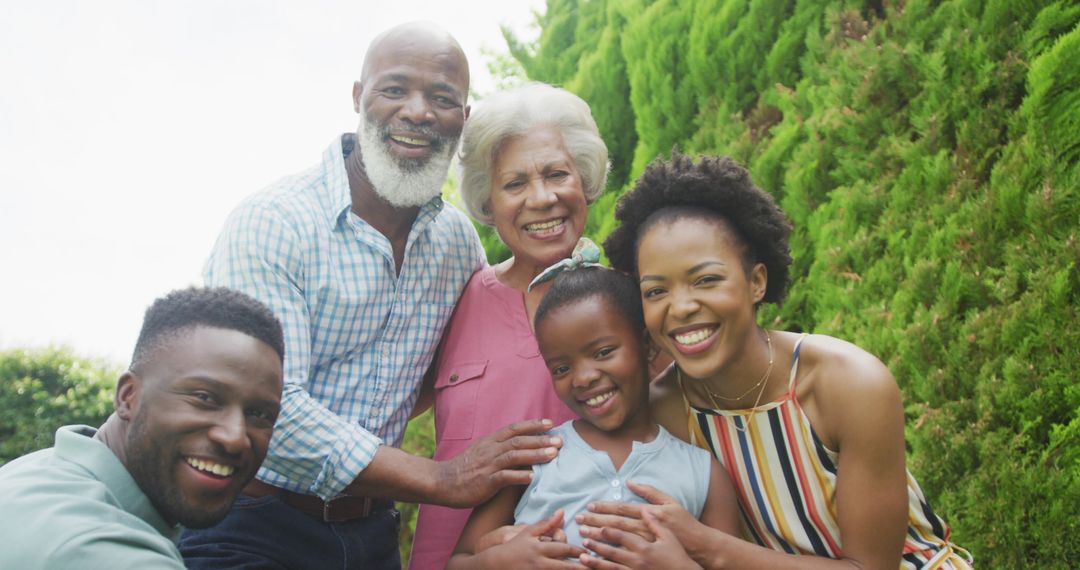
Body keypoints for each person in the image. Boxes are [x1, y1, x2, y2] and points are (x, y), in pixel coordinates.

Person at [181, 23, 562, 569]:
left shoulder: (456, 243)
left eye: (442, 98)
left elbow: (457, 369)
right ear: (359, 98)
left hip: (373, 536)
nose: (418, 112)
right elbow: (266, 409)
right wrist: (441, 476)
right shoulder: (275, 222)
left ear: (463, 117)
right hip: (251, 524)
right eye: (394, 89)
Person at [574, 153, 973, 569]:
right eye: (656, 291)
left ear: (757, 281)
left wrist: (707, 547)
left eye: (706, 279)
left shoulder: (847, 385)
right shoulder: (663, 413)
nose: (682, 307)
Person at [409, 82, 610, 569]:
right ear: (488, 203)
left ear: (583, 180)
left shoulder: (626, 298)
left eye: (557, 174)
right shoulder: (454, 298)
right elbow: (387, 407)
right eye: (515, 184)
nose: (541, 199)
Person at [447, 266, 742, 569]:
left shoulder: (703, 473)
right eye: (561, 368)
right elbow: (458, 562)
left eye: (603, 352)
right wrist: (501, 561)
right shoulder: (534, 456)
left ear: (647, 345)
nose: (583, 378)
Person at [0, 287, 285, 568]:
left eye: (260, 414)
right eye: (204, 398)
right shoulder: (107, 552)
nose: (235, 438)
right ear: (128, 396)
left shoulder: (37, 472)